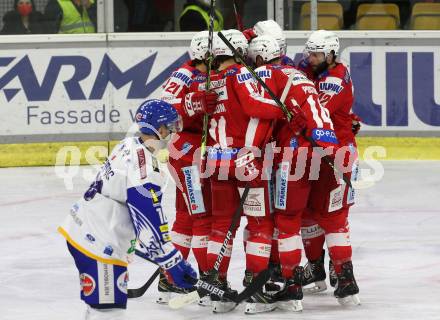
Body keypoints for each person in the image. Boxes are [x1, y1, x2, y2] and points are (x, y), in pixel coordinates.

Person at [58, 99, 197, 320]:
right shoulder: (146, 167)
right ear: (159, 129)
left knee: (99, 309)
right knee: (108, 312)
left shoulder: (129, 144)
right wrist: (171, 260)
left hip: (83, 228)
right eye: (171, 127)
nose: (173, 133)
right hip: (99, 242)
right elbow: (146, 214)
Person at [182, 29, 287, 314]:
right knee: (259, 225)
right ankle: (256, 289)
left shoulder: (208, 81)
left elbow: (185, 108)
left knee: (220, 226)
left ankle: (218, 286)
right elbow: (255, 105)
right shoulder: (242, 75)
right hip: (245, 162)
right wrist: (284, 108)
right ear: (240, 52)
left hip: (215, 160)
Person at [296, 30, 360, 305]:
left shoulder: (334, 80)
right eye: (309, 54)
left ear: (331, 55)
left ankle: (346, 278)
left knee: (333, 217)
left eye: (317, 54)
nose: (311, 59)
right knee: (307, 213)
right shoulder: (317, 70)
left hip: (337, 156)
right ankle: (316, 268)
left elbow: (312, 114)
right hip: (315, 155)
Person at [157, 30, 215, 306]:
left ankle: (170, 278)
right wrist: (193, 103)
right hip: (185, 153)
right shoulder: (186, 74)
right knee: (201, 217)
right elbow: (164, 106)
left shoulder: (203, 74)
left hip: (190, 151)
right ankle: (207, 281)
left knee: (185, 216)